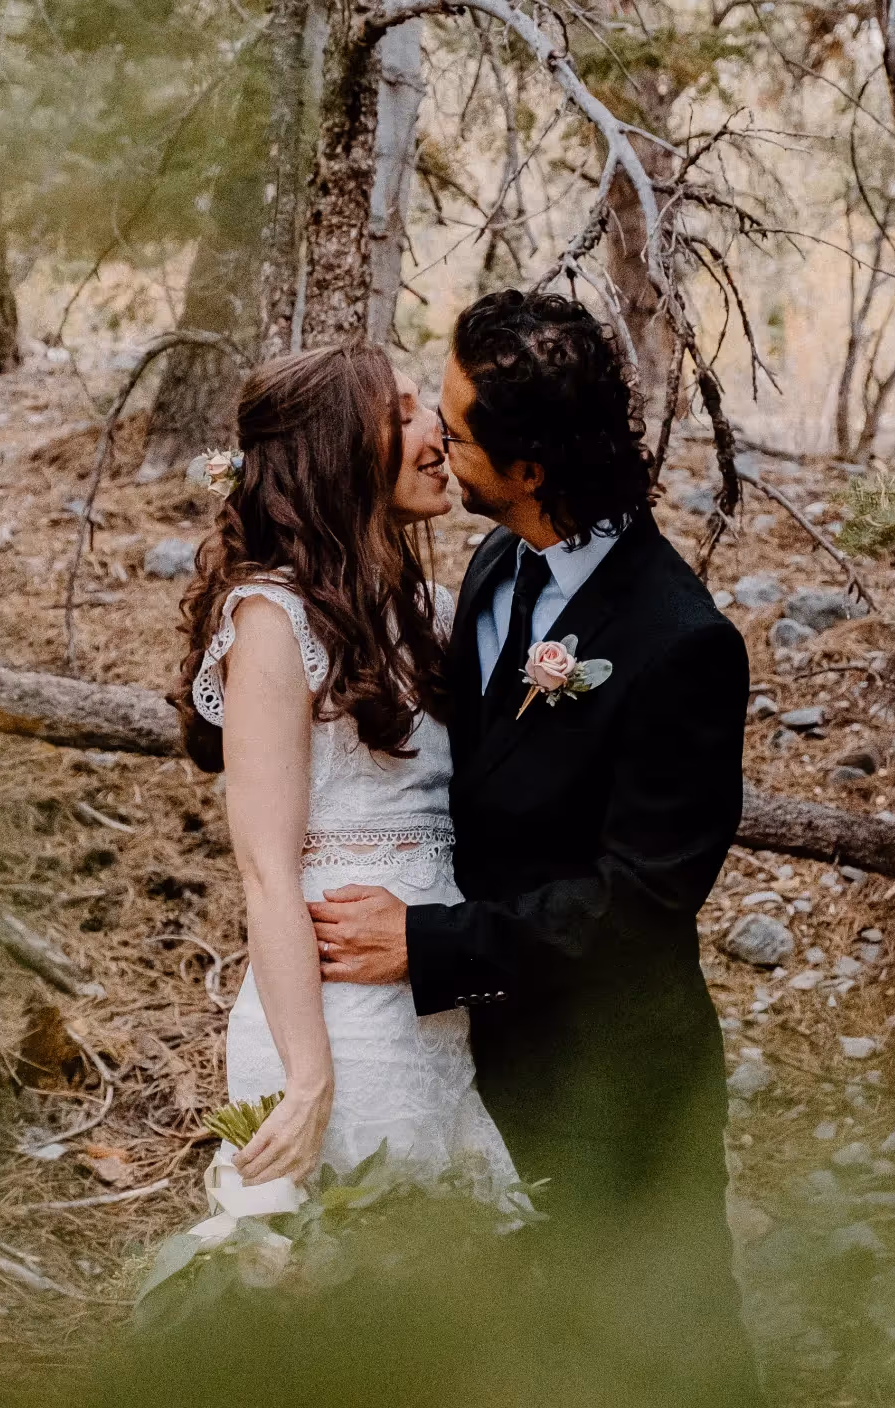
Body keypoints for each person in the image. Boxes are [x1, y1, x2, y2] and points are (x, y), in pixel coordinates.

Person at [309, 289, 759, 1399]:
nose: (434, 443)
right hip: (486, 1065)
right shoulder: (497, 567)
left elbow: (639, 906)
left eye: (456, 433)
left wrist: (430, 942)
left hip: (615, 1086)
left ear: (532, 470)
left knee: (667, 1358)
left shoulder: (680, 644)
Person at [172, 342, 515, 1192]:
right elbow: (265, 870)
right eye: (401, 417)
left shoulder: (430, 614)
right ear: (337, 455)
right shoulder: (272, 623)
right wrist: (309, 1077)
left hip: (434, 1014)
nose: (437, 432)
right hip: (338, 1024)